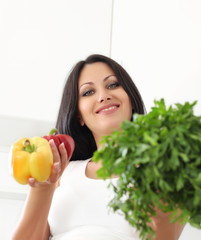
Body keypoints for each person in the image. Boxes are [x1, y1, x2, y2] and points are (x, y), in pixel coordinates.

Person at [11, 54, 185, 240]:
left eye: (112, 85)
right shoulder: (62, 172)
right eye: (88, 92)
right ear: (79, 116)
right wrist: (42, 189)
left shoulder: (163, 172)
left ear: (131, 99)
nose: (103, 96)